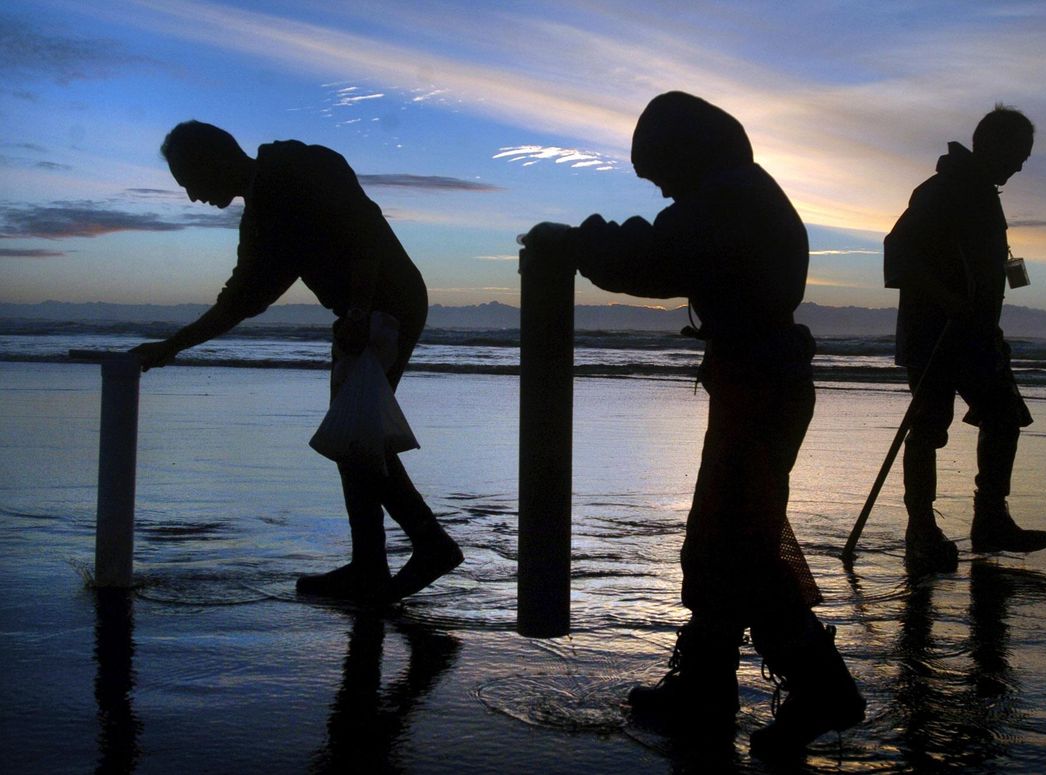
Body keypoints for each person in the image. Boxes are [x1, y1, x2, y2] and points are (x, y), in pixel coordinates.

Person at [524, 92, 864, 759]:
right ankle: (705, 687)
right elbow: (671, 245)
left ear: (688, 151)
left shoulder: (732, 199)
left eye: (661, 175)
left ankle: (821, 689)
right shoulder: (738, 190)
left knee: (737, 551)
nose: (662, 191)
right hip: (756, 383)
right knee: (723, 543)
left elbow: (657, 255)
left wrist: (577, 242)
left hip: (761, 389)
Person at [132, 121, 463, 605]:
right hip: (361, 314)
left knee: (359, 440)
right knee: (353, 436)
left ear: (212, 159)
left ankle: (430, 546)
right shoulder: (262, 218)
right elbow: (240, 301)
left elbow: (362, 230)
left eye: (190, 181)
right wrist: (171, 347)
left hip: (384, 308)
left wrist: (358, 308)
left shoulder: (295, 167)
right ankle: (372, 563)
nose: (192, 196)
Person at [884, 106, 1046, 574]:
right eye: (1018, 154)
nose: (1020, 165)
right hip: (933, 334)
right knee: (929, 428)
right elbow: (896, 253)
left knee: (1003, 416)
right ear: (992, 145)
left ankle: (990, 519)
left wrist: (989, 327)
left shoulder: (981, 194)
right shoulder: (943, 190)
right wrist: (946, 300)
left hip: (975, 336)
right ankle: (921, 531)